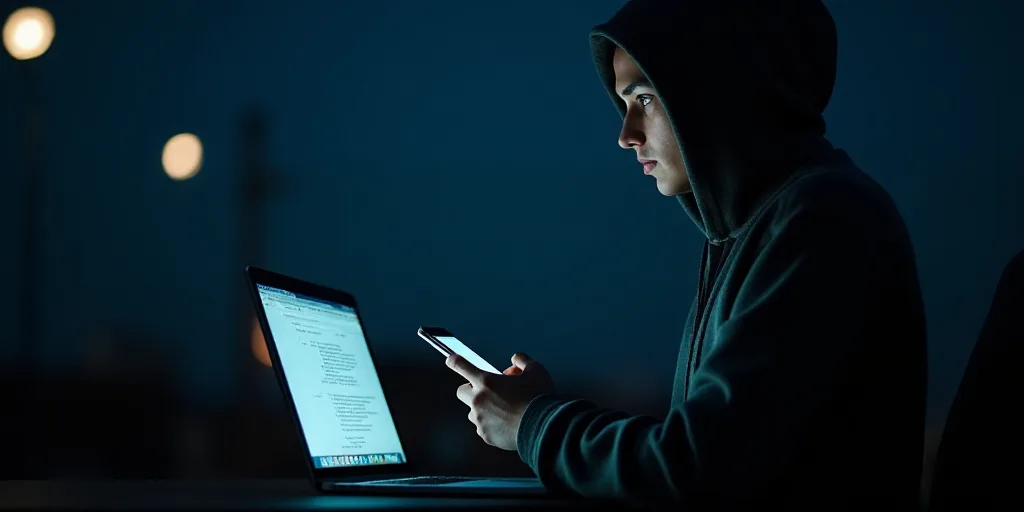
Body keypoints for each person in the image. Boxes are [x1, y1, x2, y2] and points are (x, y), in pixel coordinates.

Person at [445, 0, 928, 506]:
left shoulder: (823, 219)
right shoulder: (754, 230)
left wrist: (532, 421)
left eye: (646, 99)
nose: (625, 135)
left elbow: (699, 471)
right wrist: (541, 411)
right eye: (623, 103)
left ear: (720, 92)